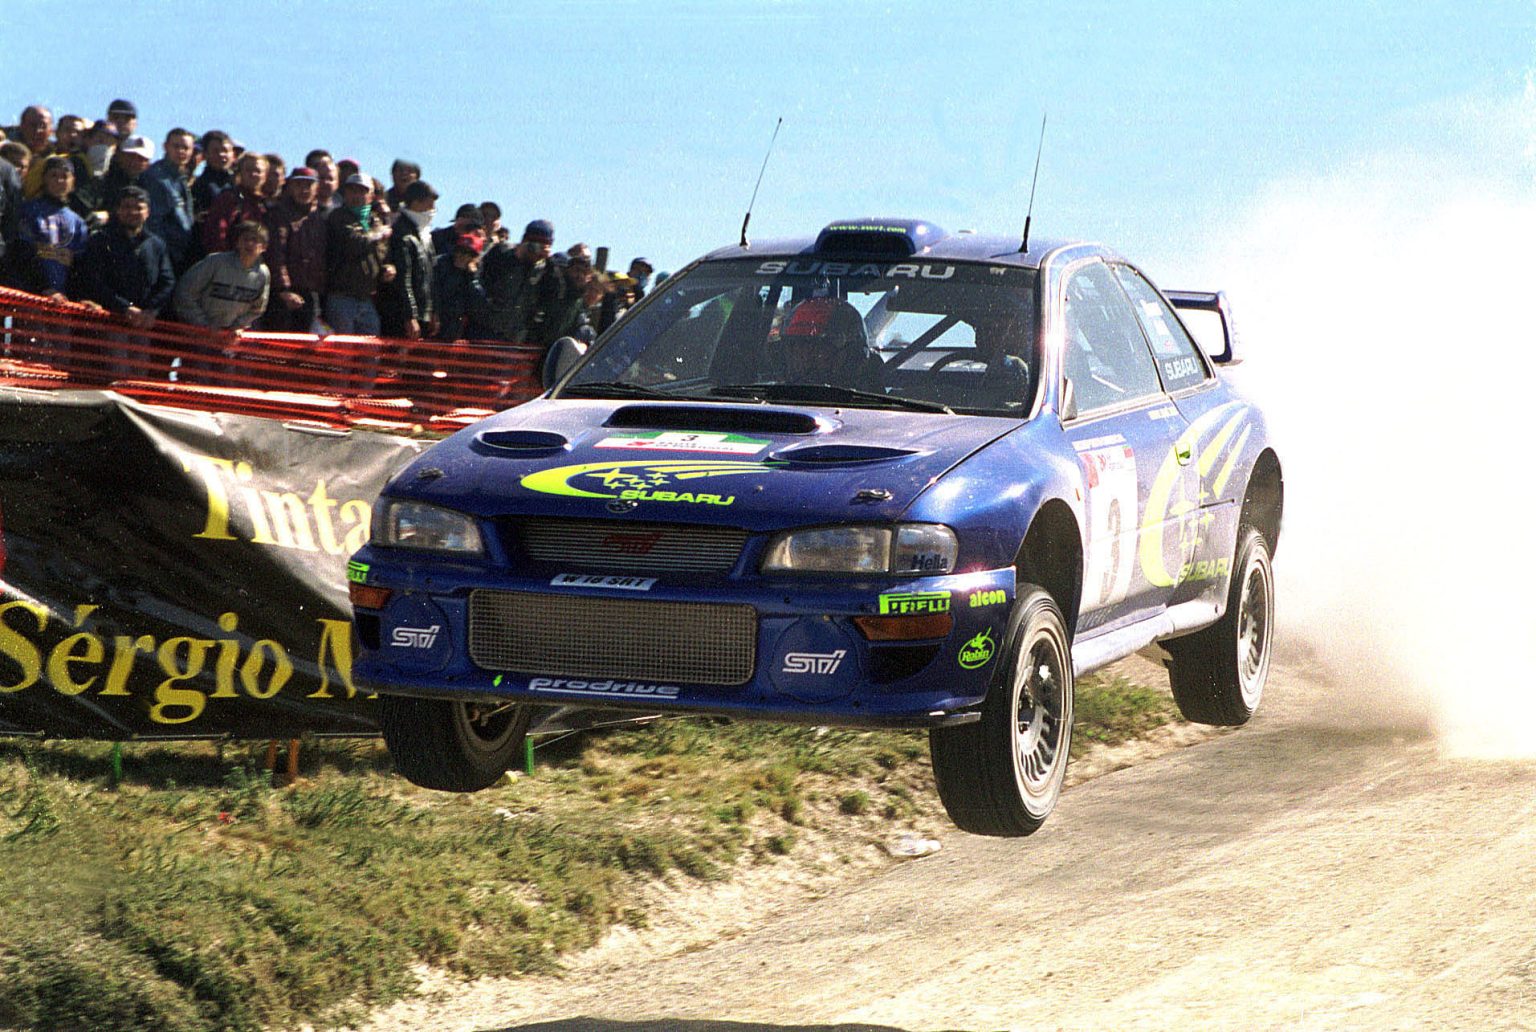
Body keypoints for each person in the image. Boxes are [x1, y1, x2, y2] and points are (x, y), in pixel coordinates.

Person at [72, 185, 175, 378]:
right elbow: (93, 280)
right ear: (118, 210)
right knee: (116, 374)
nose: (132, 212)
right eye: (127, 207)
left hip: (142, 323)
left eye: (138, 207)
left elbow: (167, 280)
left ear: (148, 212)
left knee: (139, 375)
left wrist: (150, 310)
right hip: (111, 319)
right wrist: (125, 307)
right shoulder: (101, 240)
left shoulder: (156, 244)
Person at [323, 172, 393, 335]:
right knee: (343, 347)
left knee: (370, 347)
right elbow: (354, 243)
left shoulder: (375, 220)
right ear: (344, 193)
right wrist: (379, 234)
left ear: (371, 195)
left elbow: (383, 253)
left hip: (366, 297)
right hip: (341, 297)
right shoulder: (338, 217)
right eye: (352, 190)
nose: (356, 195)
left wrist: (388, 267)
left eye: (362, 191)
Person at [14, 157, 89, 297]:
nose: (59, 181)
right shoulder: (29, 210)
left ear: (72, 181)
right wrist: (43, 287)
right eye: (53, 175)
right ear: (44, 179)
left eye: (64, 177)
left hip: (62, 300)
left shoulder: (78, 222)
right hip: (30, 294)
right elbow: (22, 252)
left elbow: (79, 265)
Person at [261, 166, 324, 331]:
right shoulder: (278, 215)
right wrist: (283, 290)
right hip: (282, 294)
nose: (304, 190)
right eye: (298, 185)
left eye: (308, 185)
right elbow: (276, 254)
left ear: (317, 188)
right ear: (289, 187)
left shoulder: (319, 218)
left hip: (310, 293)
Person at [175, 220, 270, 330]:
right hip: (199, 331)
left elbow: (258, 309)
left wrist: (238, 325)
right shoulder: (215, 262)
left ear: (264, 247)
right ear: (237, 243)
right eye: (245, 239)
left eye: (255, 240)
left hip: (231, 335)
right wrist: (203, 324)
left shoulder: (263, 273)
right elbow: (184, 292)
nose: (249, 244)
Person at [474, 218, 553, 342]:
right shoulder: (501, 253)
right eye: (534, 246)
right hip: (483, 329)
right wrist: (517, 257)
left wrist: (549, 262)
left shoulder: (544, 269)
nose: (536, 253)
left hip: (513, 337)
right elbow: (479, 280)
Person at [379, 179, 437, 339]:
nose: (433, 210)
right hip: (403, 317)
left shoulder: (425, 234)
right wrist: (410, 316)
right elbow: (404, 278)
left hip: (423, 314)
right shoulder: (402, 233)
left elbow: (431, 276)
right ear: (416, 203)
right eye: (429, 205)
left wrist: (432, 311)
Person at [776, 297, 878, 386]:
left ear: (849, 357)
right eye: (796, 347)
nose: (803, 357)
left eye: (816, 349)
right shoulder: (773, 397)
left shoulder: (874, 401)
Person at [144, 128, 196, 273]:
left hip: (181, 253)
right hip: (166, 256)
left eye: (186, 148)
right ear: (166, 147)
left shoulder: (181, 178)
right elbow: (154, 221)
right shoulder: (156, 177)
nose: (181, 151)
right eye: (176, 146)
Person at [530, 243, 595, 346]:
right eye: (577, 270)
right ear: (568, 271)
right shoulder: (555, 291)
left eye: (584, 272)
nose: (580, 276)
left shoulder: (580, 302)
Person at [203, 152, 268, 253]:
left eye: (258, 171)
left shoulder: (266, 204)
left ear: (265, 176)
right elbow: (216, 234)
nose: (253, 174)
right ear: (240, 173)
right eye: (248, 170)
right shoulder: (229, 198)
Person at [432, 233, 486, 341]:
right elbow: (434, 292)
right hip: (435, 320)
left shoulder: (476, 272)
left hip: (457, 327)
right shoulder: (440, 264)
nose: (462, 256)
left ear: (474, 258)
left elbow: (479, 302)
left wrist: (473, 278)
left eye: (468, 253)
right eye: (460, 251)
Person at [191, 130, 236, 220]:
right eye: (216, 151)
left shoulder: (239, 182)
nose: (221, 154)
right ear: (205, 154)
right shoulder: (199, 185)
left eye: (225, 150)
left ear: (232, 154)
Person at [101, 134, 154, 209]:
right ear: (119, 156)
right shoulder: (104, 181)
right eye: (130, 156)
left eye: (141, 158)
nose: (134, 162)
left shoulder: (152, 186)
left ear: (148, 163)